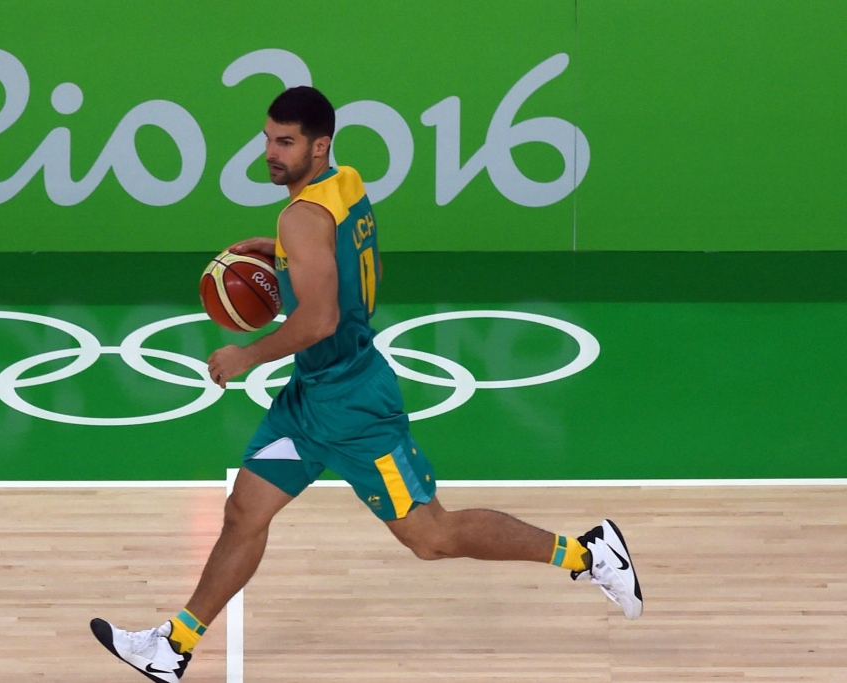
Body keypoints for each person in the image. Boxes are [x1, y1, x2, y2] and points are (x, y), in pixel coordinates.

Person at [90, 86, 642, 682]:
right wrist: (279, 256)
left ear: (319, 145)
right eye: (268, 138)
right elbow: (347, 264)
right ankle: (173, 646)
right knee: (244, 510)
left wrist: (247, 355)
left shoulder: (300, 216)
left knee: (431, 537)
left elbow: (320, 318)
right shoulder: (345, 184)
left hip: (352, 404)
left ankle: (589, 553)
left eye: (286, 142)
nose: (270, 153)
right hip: (312, 397)